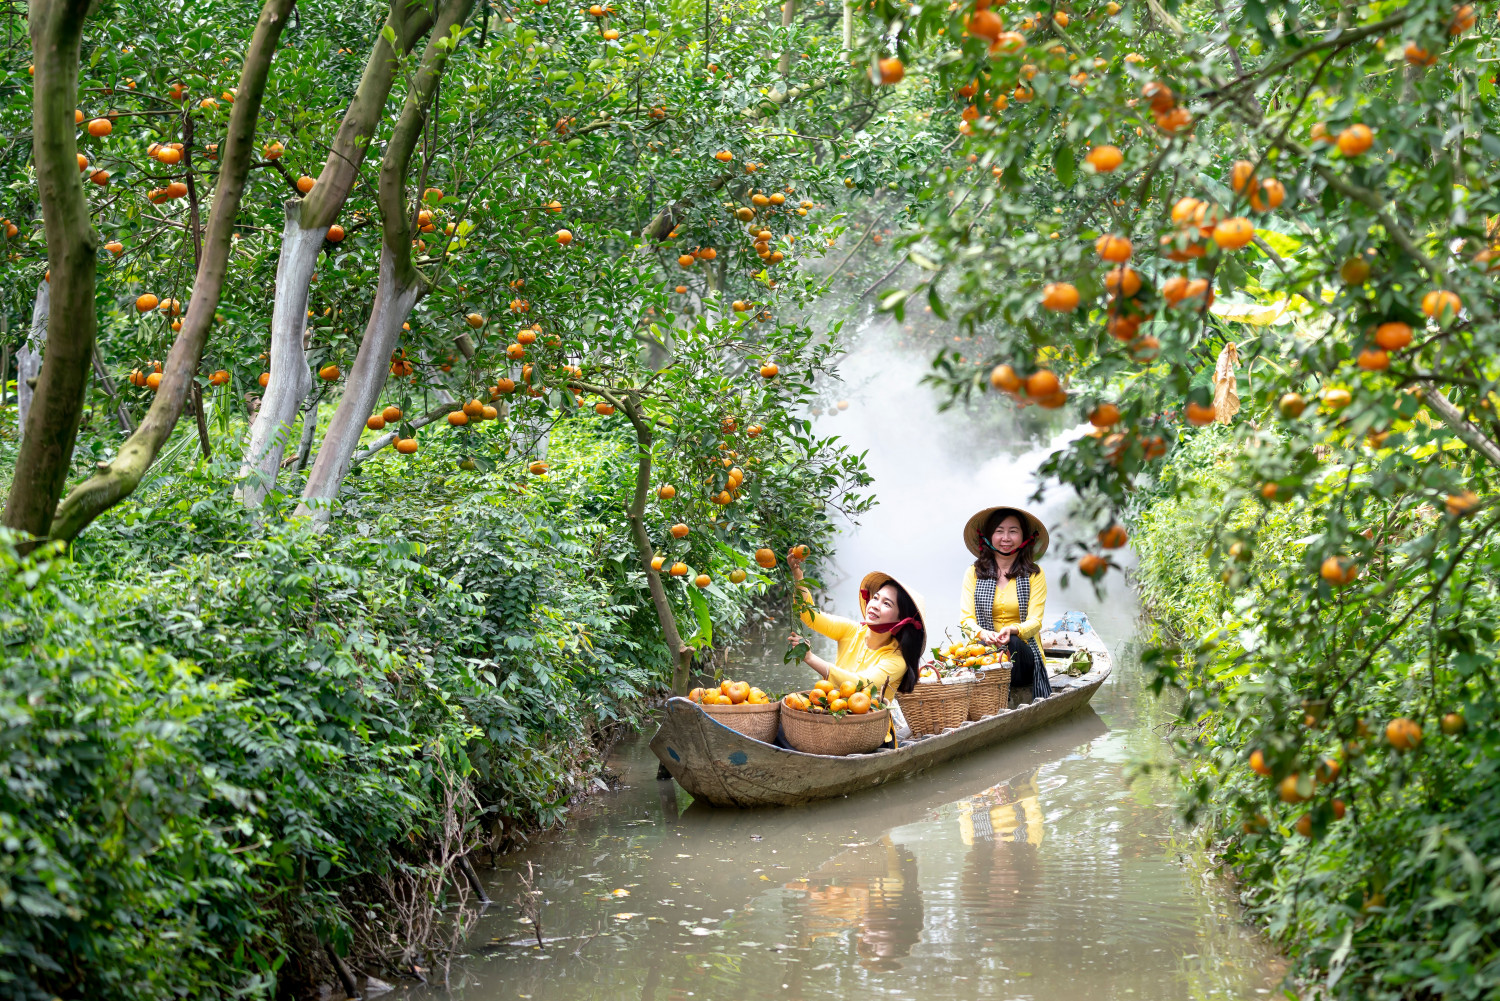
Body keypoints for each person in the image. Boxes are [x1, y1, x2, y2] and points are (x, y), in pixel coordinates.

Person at [787, 550, 925, 702]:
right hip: (833, 711)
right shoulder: (851, 630)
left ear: (902, 618)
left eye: (887, 604)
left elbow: (861, 684)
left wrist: (810, 658)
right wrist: (798, 577)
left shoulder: (897, 659)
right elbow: (811, 617)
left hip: (870, 725)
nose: (875, 605)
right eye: (876, 598)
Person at [958, 506, 1052, 704]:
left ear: (1024, 537)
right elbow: (966, 620)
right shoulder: (973, 573)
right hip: (985, 651)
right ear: (988, 537)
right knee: (976, 651)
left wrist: (1013, 630)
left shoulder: (1035, 573)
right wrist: (983, 634)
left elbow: (1035, 621)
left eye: (1013, 531)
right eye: (999, 531)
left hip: (1023, 655)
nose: (1006, 538)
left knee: (1013, 644)